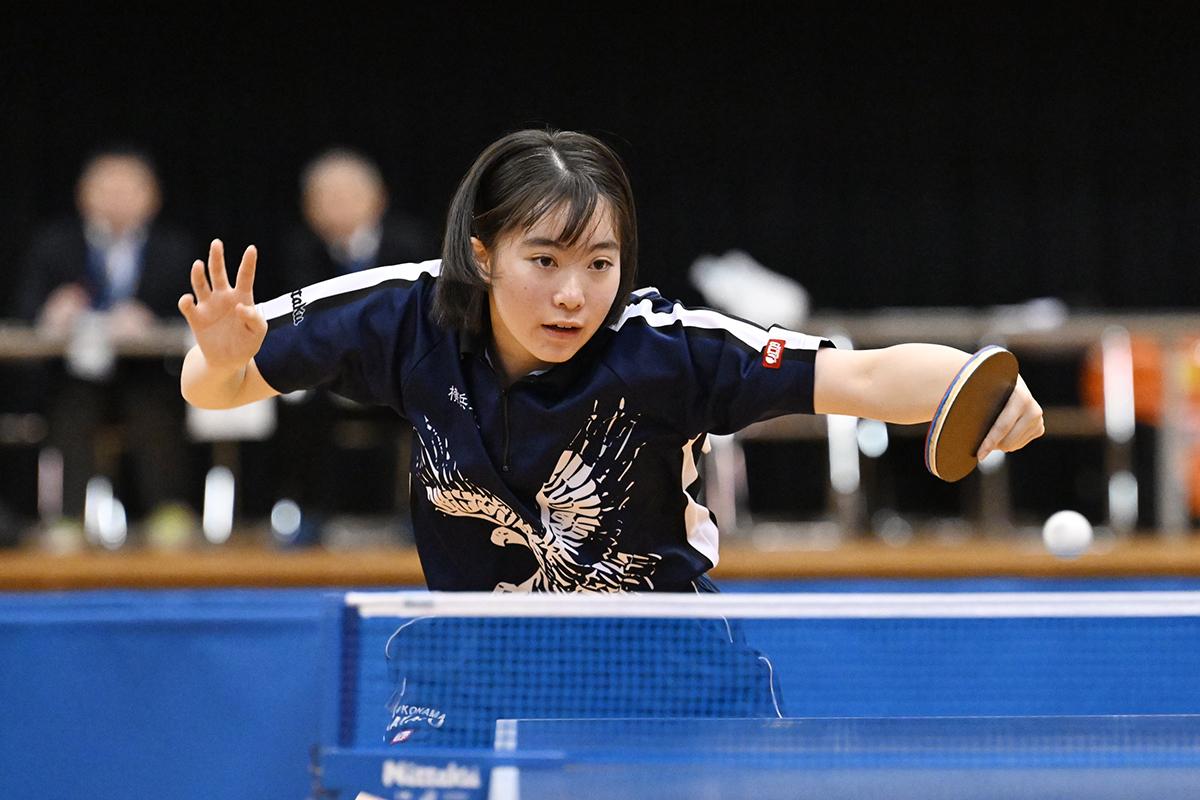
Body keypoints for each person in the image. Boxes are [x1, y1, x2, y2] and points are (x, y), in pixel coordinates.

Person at [179, 127, 1044, 741]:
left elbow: (861, 376)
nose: (573, 295)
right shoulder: (406, 314)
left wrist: (985, 385)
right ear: (481, 253)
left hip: (667, 673)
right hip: (474, 671)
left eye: (600, 263)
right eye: (544, 261)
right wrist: (220, 359)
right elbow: (217, 386)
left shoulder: (667, 353)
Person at [18, 147, 198, 551]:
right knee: (71, 407)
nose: (116, 198)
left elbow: (198, 311)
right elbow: (25, 310)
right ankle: (65, 517)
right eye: (105, 188)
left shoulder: (174, 248)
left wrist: (151, 320)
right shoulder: (54, 244)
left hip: (149, 374)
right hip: (76, 373)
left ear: (152, 196)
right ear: (83, 194)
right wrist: (52, 311)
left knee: (156, 406)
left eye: (127, 188)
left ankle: (168, 510)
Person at [261, 149, 436, 539]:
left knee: (440, 400)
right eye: (326, 197)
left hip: (400, 367)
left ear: (379, 199)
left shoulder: (412, 244)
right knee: (290, 400)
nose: (338, 206)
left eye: (349, 195)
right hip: (327, 373)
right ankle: (307, 513)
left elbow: (426, 314)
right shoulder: (297, 250)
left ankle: (422, 514)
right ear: (308, 208)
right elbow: (295, 319)